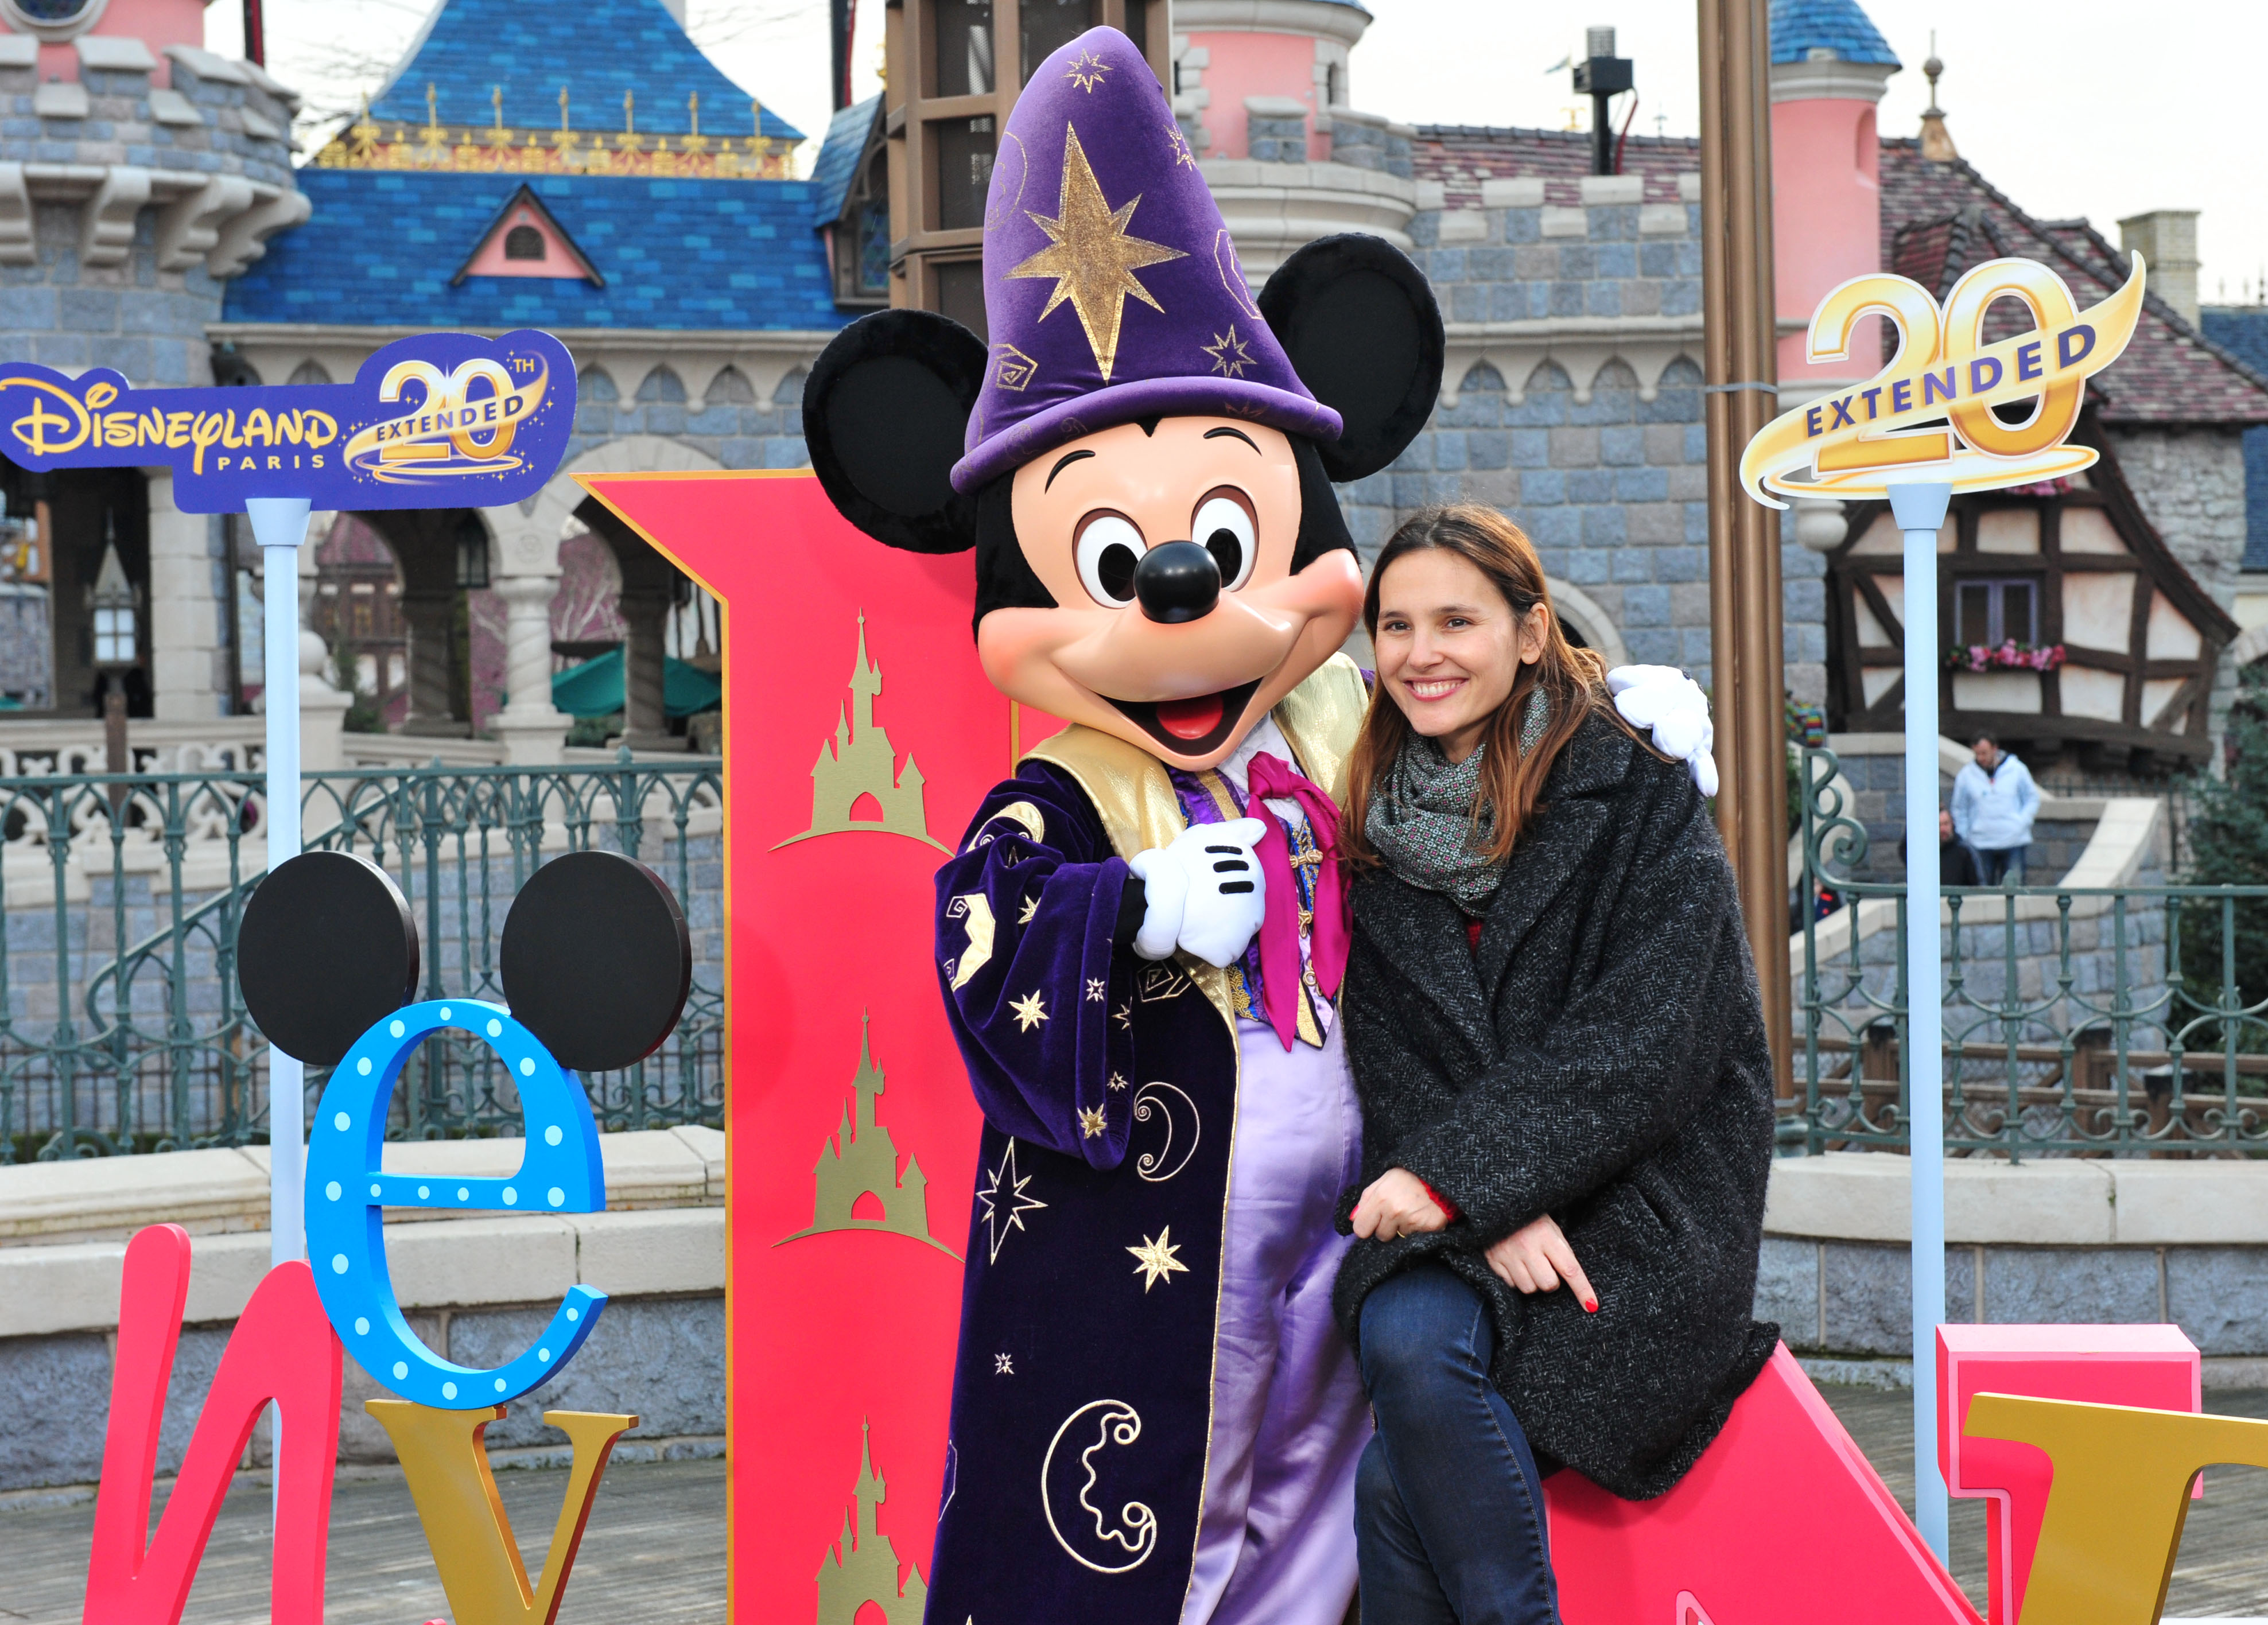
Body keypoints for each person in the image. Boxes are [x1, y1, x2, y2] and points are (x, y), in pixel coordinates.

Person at [1330, 505, 1780, 1625]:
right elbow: (1392, 1054)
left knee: (1397, 1480)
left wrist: (1467, 1185)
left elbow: (1647, 1040)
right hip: (1474, 1196)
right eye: (1395, 625)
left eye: (1456, 621)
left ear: (1530, 633)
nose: (1420, 653)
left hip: (1643, 1206)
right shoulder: (1374, 820)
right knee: (1400, 1340)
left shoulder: (1633, 786)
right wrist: (1480, 1199)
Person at [1951, 732, 2038, 885]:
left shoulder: (2017, 769)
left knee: (2014, 890)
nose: (1981, 758)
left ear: (1995, 749)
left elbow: (2032, 798)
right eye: (1977, 754)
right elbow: (1959, 809)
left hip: (2014, 841)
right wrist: (1965, 836)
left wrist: (2021, 822)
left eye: (1984, 753)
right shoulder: (1966, 776)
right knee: (1984, 893)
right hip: (1980, 844)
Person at [1899, 807, 1980, 887]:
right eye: (1938, 825)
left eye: (1946, 824)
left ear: (1952, 824)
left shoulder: (1964, 851)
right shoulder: (1923, 853)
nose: (1943, 829)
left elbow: (1978, 884)